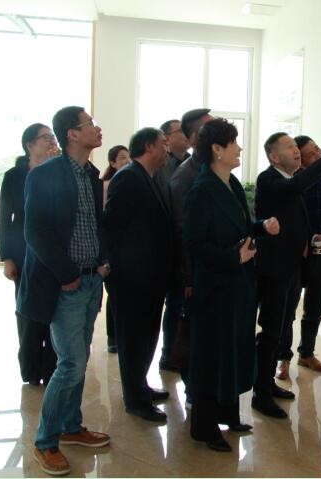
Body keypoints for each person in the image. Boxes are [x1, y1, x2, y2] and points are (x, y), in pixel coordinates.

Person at [17, 106, 110, 476]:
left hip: (91, 280)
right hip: (65, 284)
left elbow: (96, 224)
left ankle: (71, 426)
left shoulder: (90, 174)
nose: (97, 128)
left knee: (79, 358)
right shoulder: (46, 174)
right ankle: (45, 442)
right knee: (70, 362)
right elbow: (34, 231)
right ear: (72, 133)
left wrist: (102, 262)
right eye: (90, 124)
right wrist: (66, 273)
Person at [183, 118, 280, 451]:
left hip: (238, 285)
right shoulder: (201, 190)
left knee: (233, 352)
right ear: (216, 149)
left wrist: (261, 226)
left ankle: (228, 413)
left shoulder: (231, 183)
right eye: (234, 143)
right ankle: (205, 427)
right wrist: (232, 257)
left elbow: (241, 224)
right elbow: (194, 244)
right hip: (216, 288)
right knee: (212, 356)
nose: (239, 148)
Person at [252, 131, 321, 419]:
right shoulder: (269, 179)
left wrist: (314, 236)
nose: (295, 150)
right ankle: (260, 394)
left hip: (291, 267)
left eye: (296, 145)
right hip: (274, 269)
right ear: (273, 156)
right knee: (270, 331)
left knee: (280, 327)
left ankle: (268, 384)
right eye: (289, 146)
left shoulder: (289, 181)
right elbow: (295, 187)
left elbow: (295, 221)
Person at [104, 128, 174, 422]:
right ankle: (135, 399)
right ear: (148, 146)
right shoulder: (128, 177)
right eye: (163, 144)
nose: (167, 149)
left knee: (146, 336)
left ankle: (141, 386)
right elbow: (112, 227)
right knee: (133, 340)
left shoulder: (149, 176)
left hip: (150, 276)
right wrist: (119, 269)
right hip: (132, 277)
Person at [274, 135, 321, 380]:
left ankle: (307, 353)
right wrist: (309, 239)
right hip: (296, 255)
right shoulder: (291, 182)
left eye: (318, 149)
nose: (317, 154)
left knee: (315, 306)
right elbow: (289, 220)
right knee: (288, 309)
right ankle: (283, 358)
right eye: (311, 153)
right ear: (300, 159)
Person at [0, 123, 60, 386]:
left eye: (52, 136)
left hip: (53, 253)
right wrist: (7, 258)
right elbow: (5, 219)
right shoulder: (14, 175)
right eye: (46, 137)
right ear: (29, 145)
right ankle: (30, 369)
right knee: (27, 312)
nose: (51, 141)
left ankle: (50, 368)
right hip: (23, 252)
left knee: (53, 311)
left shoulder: (58, 171)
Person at [168, 108, 213, 403]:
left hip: (212, 269)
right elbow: (183, 232)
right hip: (195, 272)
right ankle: (193, 392)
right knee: (193, 335)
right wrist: (188, 277)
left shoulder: (210, 169)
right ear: (196, 138)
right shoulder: (186, 176)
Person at [157, 118, 191, 373]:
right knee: (174, 303)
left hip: (189, 244)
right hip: (171, 245)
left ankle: (181, 351)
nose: (185, 134)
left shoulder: (191, 162)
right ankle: (169, 354)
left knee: (183, 303)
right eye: (180, 131)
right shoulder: (163, 167)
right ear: (167, 138)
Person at [99, 145, 130, 354]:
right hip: (112, 247)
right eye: (121, 158)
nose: (126, 162)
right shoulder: (106, 185)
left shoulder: (132, 182)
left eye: (128, 158)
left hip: (127, 248)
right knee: (115, 294)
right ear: (112, 163)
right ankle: (113, 337)